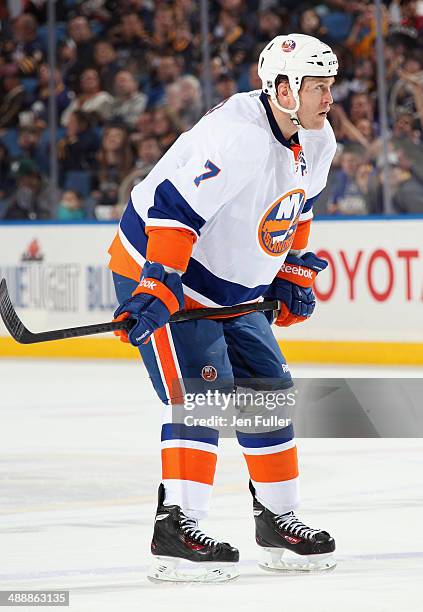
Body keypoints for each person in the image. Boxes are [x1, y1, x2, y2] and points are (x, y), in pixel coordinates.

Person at [108, 34, 338, 582]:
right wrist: (158, 285)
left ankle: (278, 519)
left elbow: (297, 203)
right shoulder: (238, 137)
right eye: (317, 87)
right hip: (164, 267)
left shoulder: (317, 137)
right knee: (203, 395)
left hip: (230, 290)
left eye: (330, 86)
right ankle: (176, 528)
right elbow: (171, 210)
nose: (329, 97)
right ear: (283, 89)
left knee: (268, 390)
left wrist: (288, 268)